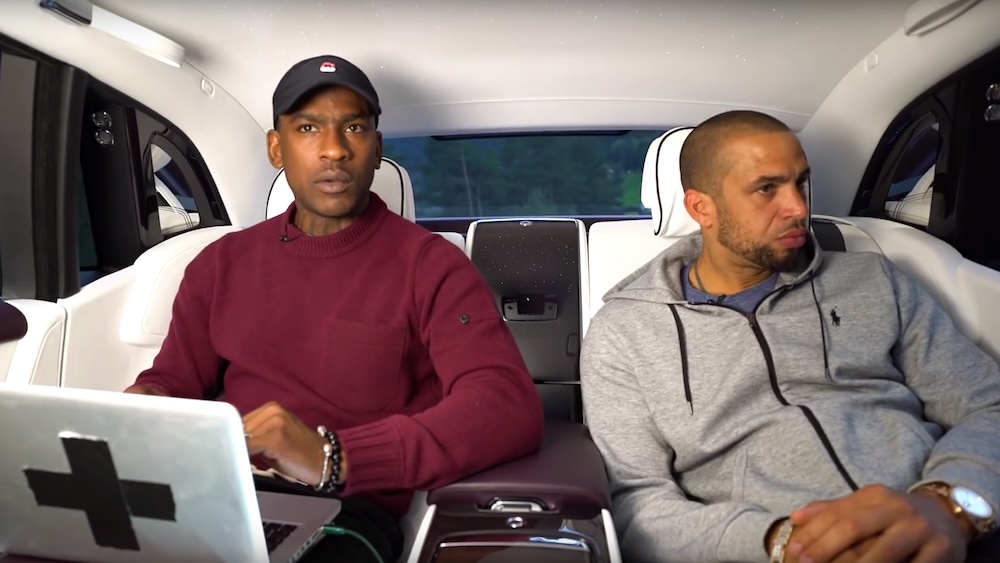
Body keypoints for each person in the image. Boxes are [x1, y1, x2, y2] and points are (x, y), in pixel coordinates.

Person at [126, 54, 544, 562]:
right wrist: (139, 407)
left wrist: (334, 457)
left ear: (376, 148)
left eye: (354, 128)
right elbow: (173, 381)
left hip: (340, 512)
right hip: (213, 495)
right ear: (276, 149)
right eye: (308, 128)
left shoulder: (431, 266)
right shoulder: (220, 265)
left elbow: (506, 407)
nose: (333, 150)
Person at [580, 110, 1000, 563]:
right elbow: (635, 503)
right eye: (766, 188)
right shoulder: (623, 332)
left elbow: (985, 404)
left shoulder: (873, 280)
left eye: (800, 182)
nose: (799, 208)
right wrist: (785, 544)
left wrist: (952, 503)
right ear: (702, 208)